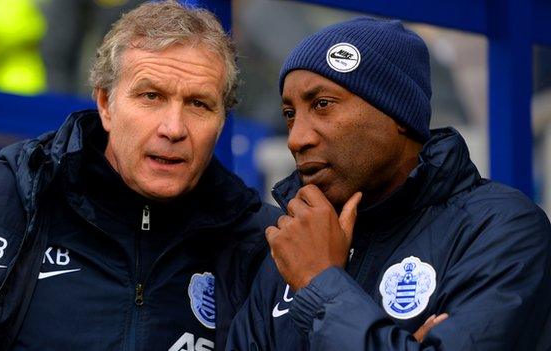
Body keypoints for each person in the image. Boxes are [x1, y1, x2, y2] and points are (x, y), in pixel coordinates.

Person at [0, 1, 280, 350]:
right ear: (105, 104)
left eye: (198, 104)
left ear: (221, 122)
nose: (173, 129)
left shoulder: (268, 247)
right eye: (151, 96)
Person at [227, 17, 551, 350]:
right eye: (290, 113)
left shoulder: (499, 229)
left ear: (397, 113)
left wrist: (319, 283)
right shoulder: (291, 245)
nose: (296, 139)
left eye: (322, 104)